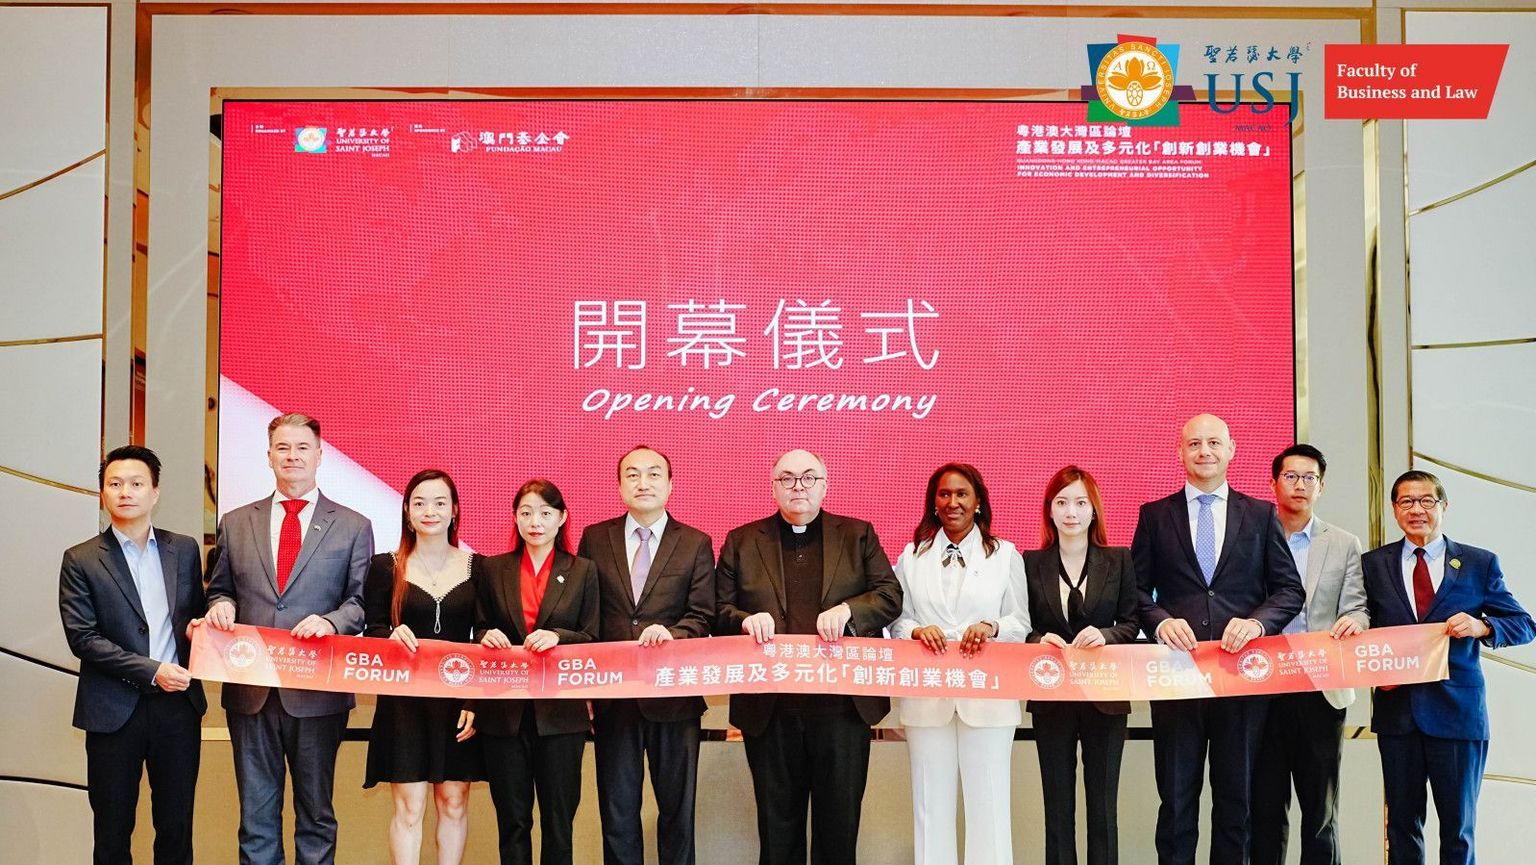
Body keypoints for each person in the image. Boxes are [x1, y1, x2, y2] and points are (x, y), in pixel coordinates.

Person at [715, 448, 902, 865]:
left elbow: (890, 596)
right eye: (786, 478)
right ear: (773, 487)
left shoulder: (857, 534)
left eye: (808, 477)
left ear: (825, 485)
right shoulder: (742, 541)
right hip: (770, 709)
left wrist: (849, 610)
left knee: (839, 830)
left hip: (842, 709)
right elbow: (717, 610)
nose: (798, 486)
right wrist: (745, 620)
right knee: (777, 831)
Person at [1133, 413, 1305, 865]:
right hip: (1176, 681)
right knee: (1176, 803)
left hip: (1241, 682)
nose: (1204, 451)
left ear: (1231, 450)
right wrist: (1160, 621)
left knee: (1236, 805)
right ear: (1180, 452)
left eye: (1214, 442)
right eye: (1194, 443)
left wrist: (1257, 623)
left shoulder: (1261, 515)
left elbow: (1289, 590)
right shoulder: (1155, 515)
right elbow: (1135, 591)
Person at [203, 412, 372, 865]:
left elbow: (360, 603)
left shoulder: (353, 525)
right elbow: (219, 588)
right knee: (256, 817)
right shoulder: (236, 521)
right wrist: (221, 604)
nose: (292, 456)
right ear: (269, 456)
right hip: (250, 692)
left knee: (315, 815)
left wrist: (332, 623)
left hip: (318, 693)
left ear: (319, 455)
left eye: (302, 448)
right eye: (283, 448)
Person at [1364, 470, 1534, 865]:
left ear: (1444, 506)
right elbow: (1363, 625)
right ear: (1394, 509)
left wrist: (1482, 626)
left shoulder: (1478, 562)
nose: (1417, 510)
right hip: (1398, 713)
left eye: (1427, 501)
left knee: (1458, 829)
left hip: (1458, 715)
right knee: (1401, 827)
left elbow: (1524, 624)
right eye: (1407, 502)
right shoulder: (1373, 564)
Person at [59, 445, 207, 865]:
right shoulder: (81, 559)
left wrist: (199, 630)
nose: (126, 492)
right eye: (115, 484)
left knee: (176, 827)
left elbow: (194, 615)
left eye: (137, 483)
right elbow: (83, 638)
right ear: (103, 493)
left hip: (177, 709)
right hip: (112, 709)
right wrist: (152, 670)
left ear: (155, 492)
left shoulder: (184, 549)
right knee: (112, 830)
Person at [577, 446, 715, 865]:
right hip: (613, 698)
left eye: (654, 474)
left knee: (677, 813)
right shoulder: (595, 538)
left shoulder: (695, 542)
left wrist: (673, 634)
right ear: (619, 486)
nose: (643, 482)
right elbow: (585, 614)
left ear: (670, 485)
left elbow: (703, 615)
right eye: (632, 474)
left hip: (674, 697)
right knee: (617, 813)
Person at [891, 462, 1029, 865]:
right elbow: (897, 621)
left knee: (990, 805)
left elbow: (1020, 622)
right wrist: (917, 631)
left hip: (988, 698)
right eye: (944, 494)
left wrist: (991, 627)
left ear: (978, 501)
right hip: (927, 698)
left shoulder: (1005, 555)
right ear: (933, 503)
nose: (953, 502)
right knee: (929, 805)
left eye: (962, 494)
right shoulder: (912, 556)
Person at [1249, 445, 1369, 865]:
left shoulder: (1343, 543)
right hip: (1261, 689)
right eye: (1291, 476)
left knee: (1321, 813)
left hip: (1321, 690)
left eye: (1309, 478)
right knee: (1264, 810)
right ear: (1273, 483)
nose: (1300, 485)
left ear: (1321, 486)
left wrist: (1355, 620)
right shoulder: (1250, 537)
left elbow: (1357, 606)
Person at [475, 479, 599, 865]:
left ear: (562, 517)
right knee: (512, 822)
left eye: (545, 513)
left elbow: (594, 636)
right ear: (515, 517)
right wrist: (486, 634)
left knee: (558, 823)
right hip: (504, 713)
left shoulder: (582, 571)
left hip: (561, 716)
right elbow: (479, 626)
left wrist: (559, 636)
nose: (535, 522)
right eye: (526, 513)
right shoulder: (493, 568)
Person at [362, 469, 482, 865]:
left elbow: (484, 638)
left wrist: (474, 702)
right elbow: (373, 628)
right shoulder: (386, 566)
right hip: (403, 702)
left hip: (458, 701)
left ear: (455, 510)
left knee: (453, 802)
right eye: (419, 503)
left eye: (439, 503)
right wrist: (388, 636)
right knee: (409, 806)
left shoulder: (479, 567)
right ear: (407, 512)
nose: (429, 511)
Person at [1024, 465, 1141, 865]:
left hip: (1106, 697)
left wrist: (1106, 635)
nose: (1070, 512)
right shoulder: (1030, 562)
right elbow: (1023, 626)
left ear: (1094, 510)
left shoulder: (1118, 559)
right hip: (1051, 697)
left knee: (1103, 807)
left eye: (1080, 503)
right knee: (1057, 807)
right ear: (1049, 510)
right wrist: (1039, 640)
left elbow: (1132, 622)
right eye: (1061, 502)